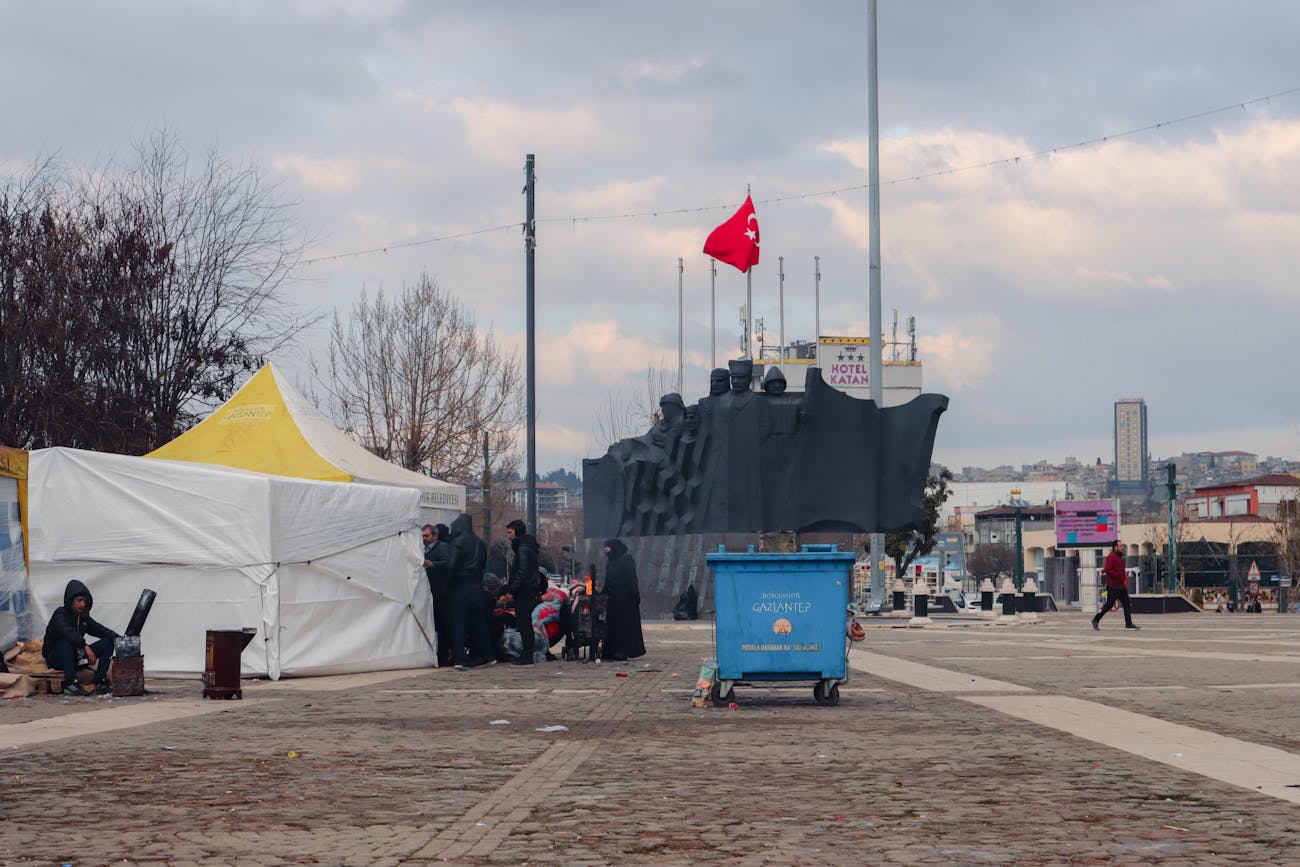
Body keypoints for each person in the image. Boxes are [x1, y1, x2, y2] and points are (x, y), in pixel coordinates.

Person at [43, 578, 120, 696]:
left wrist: (119, 639)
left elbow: (100, 630)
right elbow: (68, 633)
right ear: (70, 600)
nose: (82, 604)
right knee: (66, 642)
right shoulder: (60, 615)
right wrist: (85, 646)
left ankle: (100, 682)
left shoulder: (83, 617)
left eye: (84, 601)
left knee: (108, 642)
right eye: (79, 600)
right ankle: (70, 684)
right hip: (57, 658)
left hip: (76, 657)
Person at [447, 514, 494, 669]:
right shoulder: (481, 543)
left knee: (459, 623)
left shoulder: (457, 542)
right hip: (477, 586)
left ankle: (459, 658)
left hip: (461, 586)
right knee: (480, 623)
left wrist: (451, 583)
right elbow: (483, 565)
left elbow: (452, 566)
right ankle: (488, 656)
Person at [600, 538, 646, 660]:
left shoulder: (626, 559)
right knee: (612, 625)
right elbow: (608, 580)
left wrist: (635, 595)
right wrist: (602, 594)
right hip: (612, 600)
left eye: (608, 547)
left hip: (626, 600)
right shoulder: (610, 562)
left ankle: (623, 650)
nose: (606, 550)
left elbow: (631, 579)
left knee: (624, 626)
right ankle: (611, 649)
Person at [505, 519, 541, 666]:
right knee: (525, 623)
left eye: (510, 532)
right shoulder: (527, 546)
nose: (508, 536)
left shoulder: (523, 548)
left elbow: (522, 570)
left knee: (524, 623)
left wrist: (512, 589)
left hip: (524, 590)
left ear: (517, 532)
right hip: (529, 589)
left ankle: (527, 656)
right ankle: (527, 654)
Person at [422, 523, 454, 667]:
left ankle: (444, 655)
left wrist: (433, 564)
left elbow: (447, 563)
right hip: (429, 593)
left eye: (427, 536)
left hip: (441, 593)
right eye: (423, 536)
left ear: (435, 536)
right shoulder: (422, 549)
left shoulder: (442, 548)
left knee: (443, 625)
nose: (424, 538)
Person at [1092, 540, 1139, 631]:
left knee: (1127, 603)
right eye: (1121, 546)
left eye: (1122, 546)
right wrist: (1117, 575)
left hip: (1121, 586)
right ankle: (1095, 620)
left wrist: (1123, 580)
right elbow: (1107, 569)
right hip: (1113, 586)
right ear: (1115, 547)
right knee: (1109, 605)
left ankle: (1128, 624)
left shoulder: (1120, 557)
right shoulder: (1111, 557)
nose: (1122, 548)